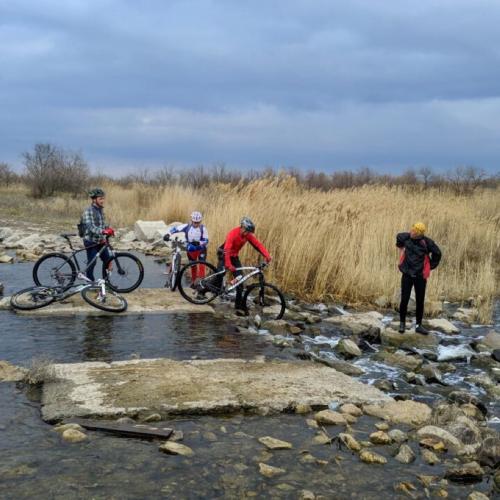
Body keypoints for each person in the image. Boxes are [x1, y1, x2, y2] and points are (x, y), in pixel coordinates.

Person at [216, 216, 272, 315]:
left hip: (234, 256)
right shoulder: (232, 234)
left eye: (249, 232)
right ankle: (202, 291)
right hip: (223, 254)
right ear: (242, 227)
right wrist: (229, 265)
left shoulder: (247, 235)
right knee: (219, 276)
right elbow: (227, 250)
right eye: (247, 231)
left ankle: (238, 305)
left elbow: (258, 245)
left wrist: (267, 256)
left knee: (240, 280)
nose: (248, 234)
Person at [396, 222, 441, 335]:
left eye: (415, 232)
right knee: (404, 299)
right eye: (412, 229)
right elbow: (399, 237)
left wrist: (430, 266)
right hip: (407, 274)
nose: (412, 232)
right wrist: (400, 247)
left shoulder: (427, 242)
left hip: (420, 276)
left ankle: (418, 326)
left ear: (420, 233)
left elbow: (438, 253)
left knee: (420, 301)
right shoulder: (406, 237)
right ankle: (402, 324)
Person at [163, 211, 209, 283]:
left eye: (198, 222)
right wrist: (168, 234)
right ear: (191, 221)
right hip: (191, 249)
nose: (196, 224)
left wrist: (199, 242)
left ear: (200, 221)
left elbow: (206, 240)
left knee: (202, 264)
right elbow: (176, 229)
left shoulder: (203, 228)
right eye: (194, 222)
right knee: (193, 265)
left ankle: (202, 282)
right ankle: (194, 282)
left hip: (201, 248)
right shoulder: (187, 226)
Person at [81, 188, 114, 282]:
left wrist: (108, 230)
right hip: (90, 241)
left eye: (103, 198)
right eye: (100, 199)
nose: (102, 201)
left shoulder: (100, 210)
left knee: (108, 261)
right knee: (92, 263)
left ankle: (106, 283)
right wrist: (103, 232)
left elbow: (102, 225)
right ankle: (90, 283)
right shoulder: (88, 211)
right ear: (94, 199)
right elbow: (90, 227)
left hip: (100, 240)